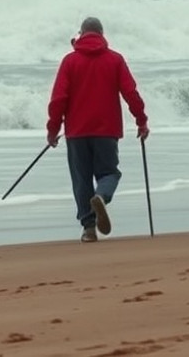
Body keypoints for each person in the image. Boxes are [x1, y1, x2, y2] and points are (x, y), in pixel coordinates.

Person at [46, 17, 149, 243]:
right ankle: (101, 196)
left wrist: (53, 129)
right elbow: (131, 93)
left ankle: (89, 229)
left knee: (81, 180)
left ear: (81, 34)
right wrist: (141, 120)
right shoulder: (115, 60)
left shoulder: (69, 62)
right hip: (106, 130)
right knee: (109, 173)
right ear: (102, 34)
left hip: (77, 132)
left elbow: (58, 99)